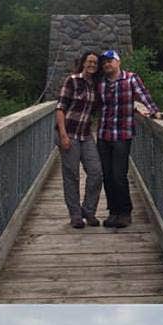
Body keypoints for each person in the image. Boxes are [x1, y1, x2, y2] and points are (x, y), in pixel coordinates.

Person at [96, 49, 163, 229]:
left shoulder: (131, 78)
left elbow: (144, 97)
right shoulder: (101, 83)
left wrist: (155, 112)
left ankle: (125, 212)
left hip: (122, 134)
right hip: (103, 135)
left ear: (118, 62)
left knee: (118, 175)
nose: (107, 64)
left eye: (110, 61)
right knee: (107, 175)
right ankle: (113, 212)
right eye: (104, 62)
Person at [55, 51, 102, 228]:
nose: (92, 65)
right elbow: (60, 108)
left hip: (86, 135)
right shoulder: (72, 80)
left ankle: (88, 211)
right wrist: (63, 135)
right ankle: (75, 215)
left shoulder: (97, 85)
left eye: (95, 63)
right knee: (71, 175)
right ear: (83, 63)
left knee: (96, 172)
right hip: (70, 134)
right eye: (89, 61)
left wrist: (139, 109)